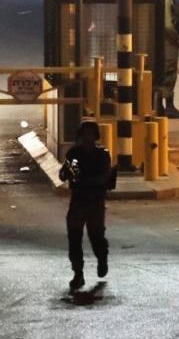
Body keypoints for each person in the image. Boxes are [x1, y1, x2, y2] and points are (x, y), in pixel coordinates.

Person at [59, 121, 113, 290]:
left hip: (95, 201)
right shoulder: (74, 154)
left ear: (95, 136)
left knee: (96, 237)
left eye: (90, 134)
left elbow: (103, 177)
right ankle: (78, 273)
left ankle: (102, 258)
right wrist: (69, 171)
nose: (87, 137)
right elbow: (63, 174)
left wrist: (84, 179)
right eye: (85, 134)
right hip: (78, 201)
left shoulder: (102, 155)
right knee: (74, 239)